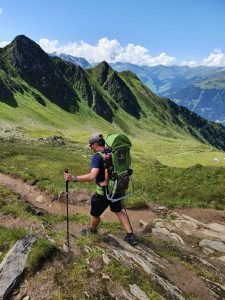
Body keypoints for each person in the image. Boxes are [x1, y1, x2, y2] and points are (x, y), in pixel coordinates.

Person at [64, 133, 137, 245]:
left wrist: (73, 178)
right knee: (118, 210)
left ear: (95, 144)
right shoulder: (113, 153)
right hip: (117, 187)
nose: (90, 147)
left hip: (103, 192)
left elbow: (92, 176)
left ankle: (93, 230)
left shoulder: (97, 157)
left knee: (95, 214)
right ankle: (130, 235)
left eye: (90, 145)